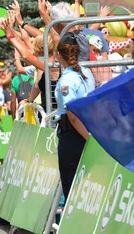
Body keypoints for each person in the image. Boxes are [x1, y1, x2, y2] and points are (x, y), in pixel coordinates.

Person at [54, 32, 95, 202]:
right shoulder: (85, 73)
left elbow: (72, 115)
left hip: (74, 135)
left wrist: (87, 139)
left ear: (58, 55)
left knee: (72, 185)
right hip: (86, 131)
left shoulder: (68, 81)